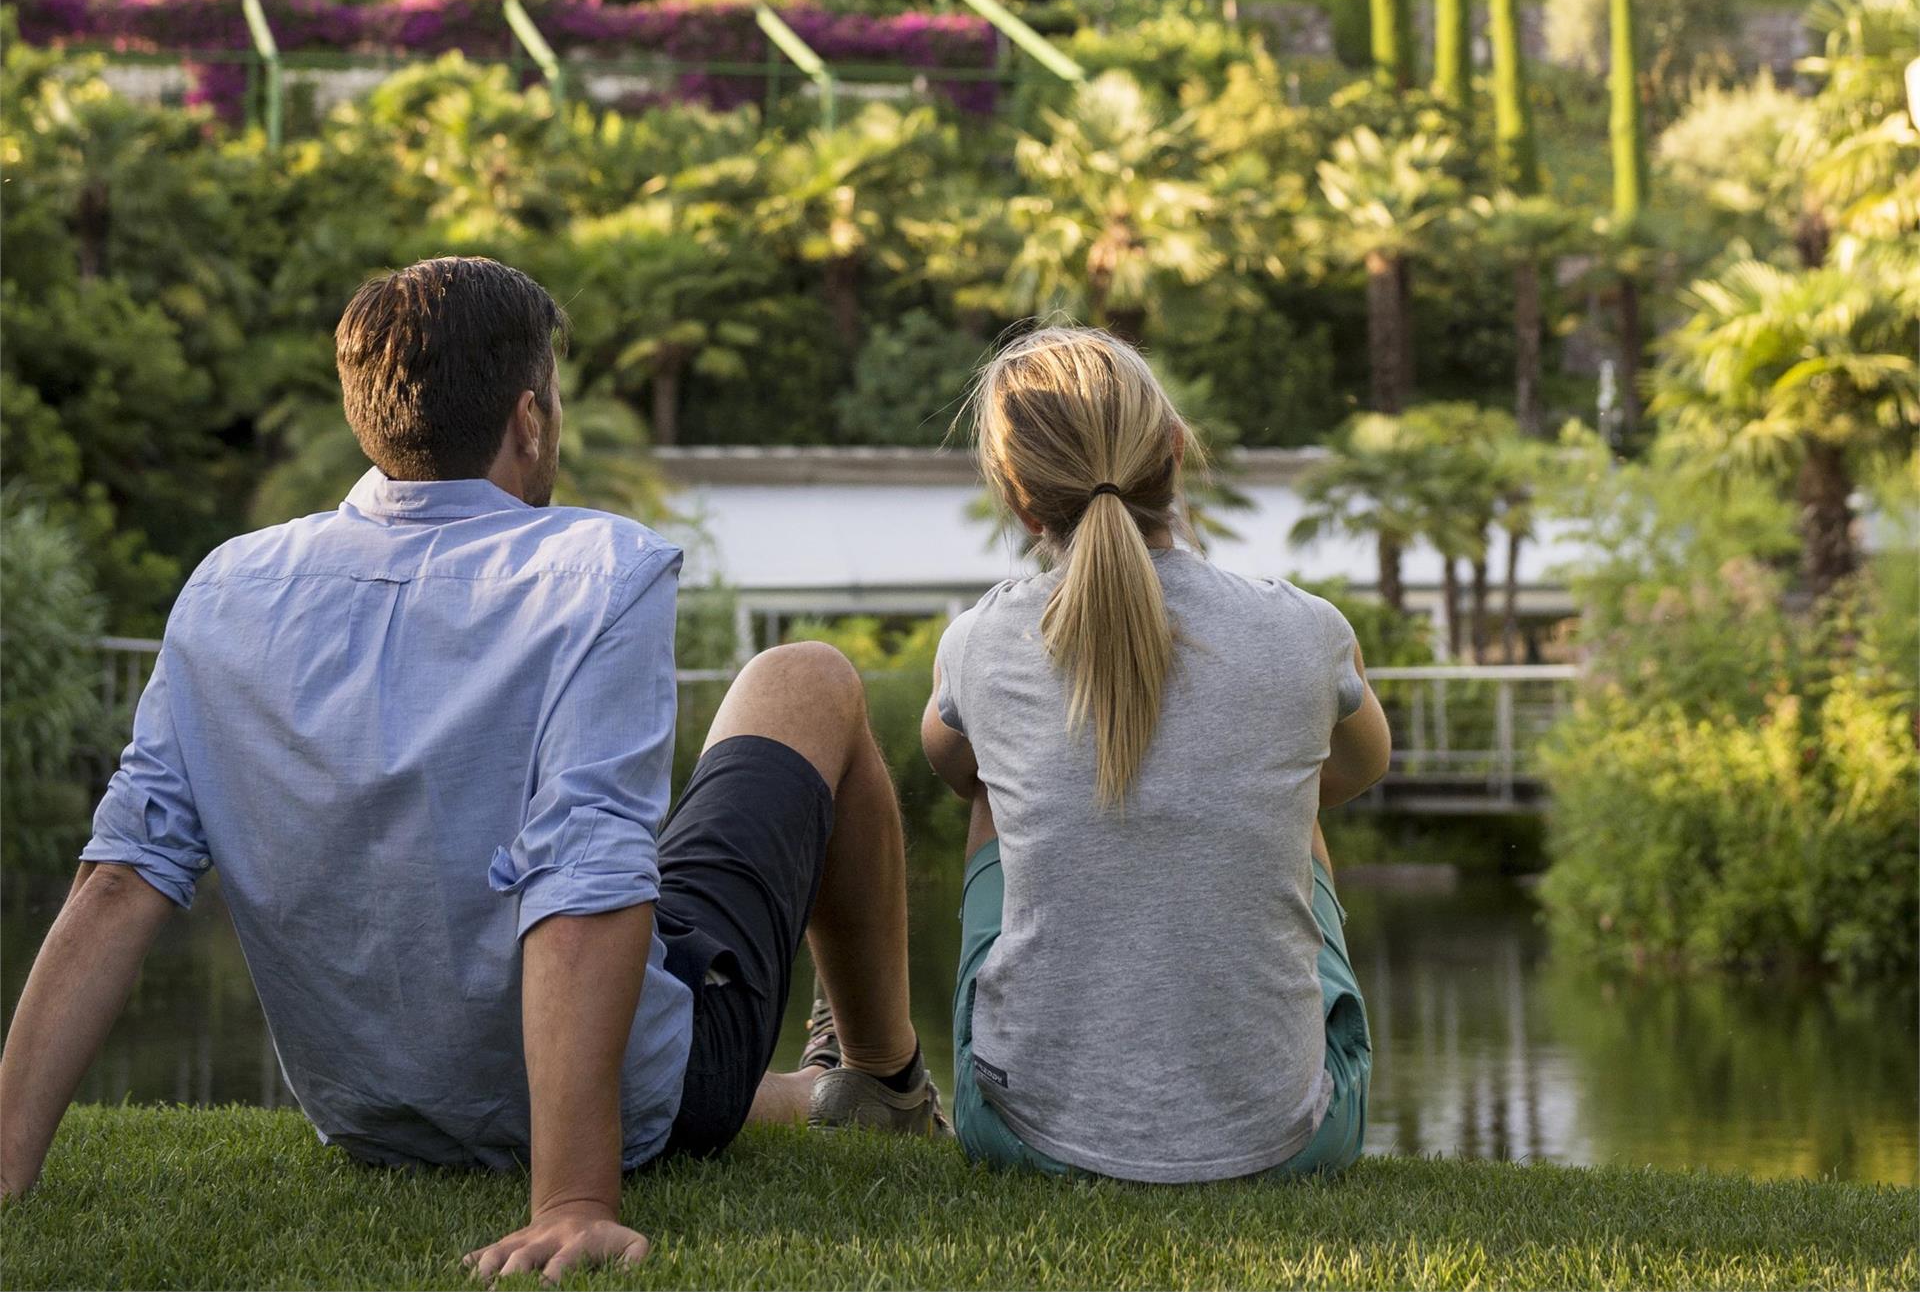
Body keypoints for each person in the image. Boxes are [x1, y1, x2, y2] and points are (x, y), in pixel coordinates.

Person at [0, 256, 943, 1280]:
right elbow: (584, 876)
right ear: (530, 417)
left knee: (649, 883)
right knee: (806, 678)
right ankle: (886, 1080)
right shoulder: (596, 568)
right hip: (629, 1107)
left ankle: (821, 1091)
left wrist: (7, 1162)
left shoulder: (226, 586)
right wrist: (573, 1198)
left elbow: (118, 879)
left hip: (373, 1119)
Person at [921, 324, 1392, 1184]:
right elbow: (1361, 768)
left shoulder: (979, 641)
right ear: (1175, 452)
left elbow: (949, 766)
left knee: (993, 787)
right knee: (1297, 792)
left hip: (1026, 1137)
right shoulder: (1307, 629)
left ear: (1024, 506)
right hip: (1294, 1139)